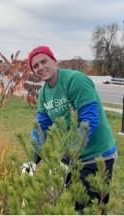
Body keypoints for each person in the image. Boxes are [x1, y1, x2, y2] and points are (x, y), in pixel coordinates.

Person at [21, 45, 117, 212]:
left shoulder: (76, 80)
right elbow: (40, 129)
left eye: (44, 61)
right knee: (72, 206)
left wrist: (66, 158)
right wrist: (33, 160)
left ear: (54, 61)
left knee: (91, 209)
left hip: (97, 156)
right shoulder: (44, 94)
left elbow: (89, 122)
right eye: (35, 66)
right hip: (73, 160)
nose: (40, 67)